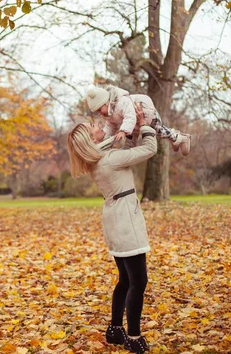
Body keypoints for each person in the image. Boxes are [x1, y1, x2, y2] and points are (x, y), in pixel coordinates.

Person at [67, 104, 156, 354]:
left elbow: (122, 147)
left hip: (115, 218)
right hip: (125, 220)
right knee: (139, 280)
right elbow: (150, 149)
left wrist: (131, 130)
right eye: (94, 127)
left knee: (126, 279)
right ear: (89, 140)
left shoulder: (100, 158)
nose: (99, 126)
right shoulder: (109, 159)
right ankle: (134, 337)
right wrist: (146, 126)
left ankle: (116, 329)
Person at [85, 85, 191, 156]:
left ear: (106, 102)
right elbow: (110, 126)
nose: (99, 113)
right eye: (97, 111)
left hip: (146, 114)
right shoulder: (109, 113)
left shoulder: (121, 102)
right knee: (130, 141)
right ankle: (127, 152)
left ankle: (181, 138)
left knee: (160, 131)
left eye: (99, 109)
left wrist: (122, 131)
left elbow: (130, 116)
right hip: (132, 125)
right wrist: (105, 138)